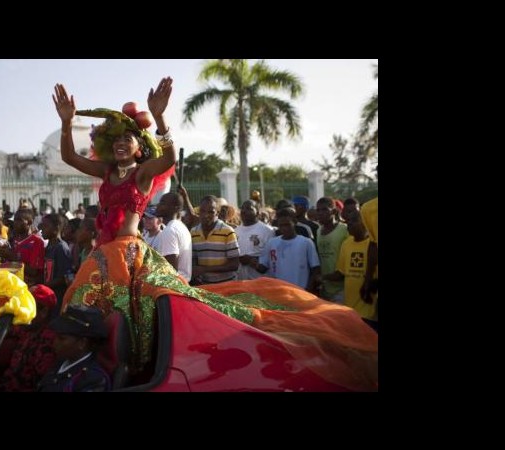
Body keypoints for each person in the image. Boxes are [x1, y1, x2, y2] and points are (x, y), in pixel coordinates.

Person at [52, 78, 377, 391]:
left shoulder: (142, 174)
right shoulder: (107, 171)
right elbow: (69, 157)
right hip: (102, 256)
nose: (122, 142)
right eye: (117, 138)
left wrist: (162, 117)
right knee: (84, 315)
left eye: (129, 137)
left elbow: (167, 158)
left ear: (139, 147)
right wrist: (67, 124)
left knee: (142, 316)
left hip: (129, 257)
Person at [37, 305, 111, 392]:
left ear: (82, 343)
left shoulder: (93, 379)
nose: (55, 342)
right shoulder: (60, 363)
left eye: (61, 338)